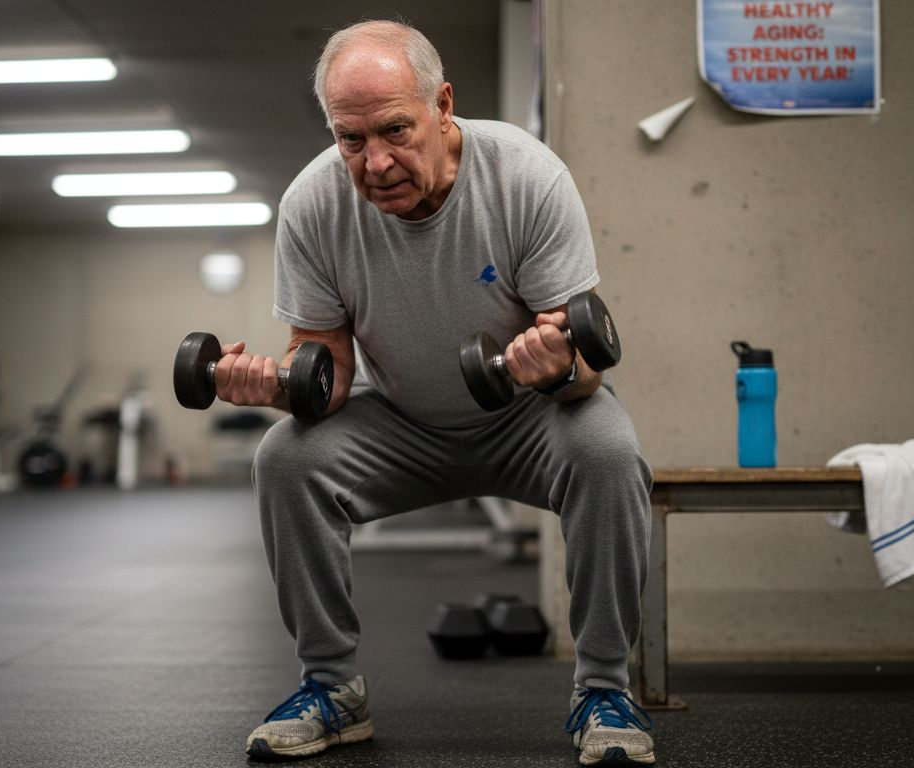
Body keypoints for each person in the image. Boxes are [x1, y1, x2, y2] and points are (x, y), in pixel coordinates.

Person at [213, 19, 655, 767]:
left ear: (442, 105)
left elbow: (587, 371)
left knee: (608, 447)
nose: (375, 162)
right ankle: (332, 689)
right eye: (351, 140)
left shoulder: (524, 176)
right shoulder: (314, 204)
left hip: (524, 418)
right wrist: (272, 385)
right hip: (400, 426)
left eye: (393, 130)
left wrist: (554, 366)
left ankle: (604, 690)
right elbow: (327, 375)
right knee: (286, 457)